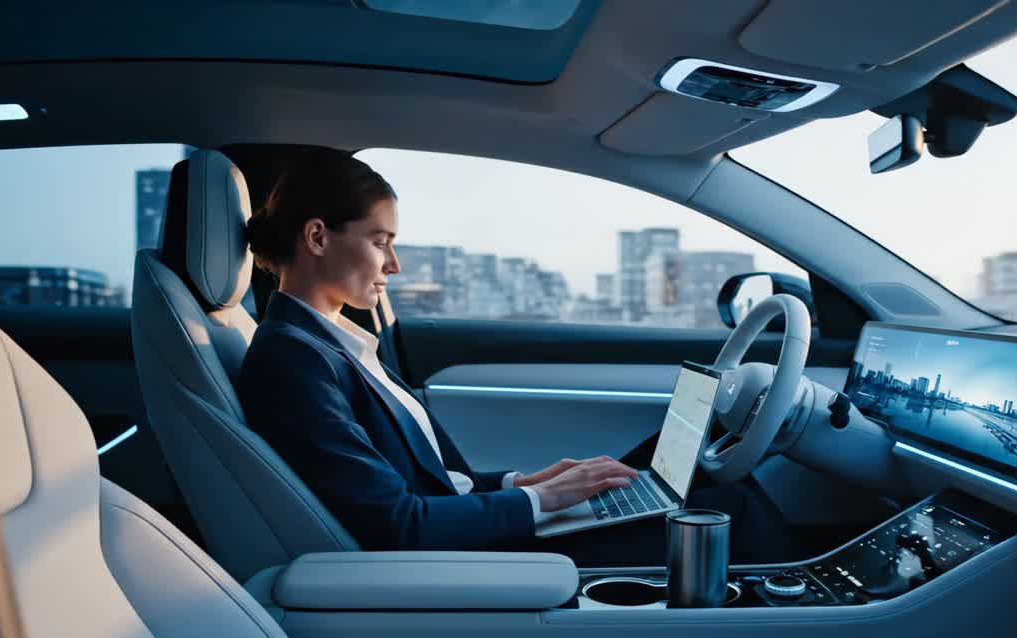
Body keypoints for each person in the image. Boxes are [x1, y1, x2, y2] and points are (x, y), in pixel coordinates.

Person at [237, 153, 813, 567]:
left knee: (679, 469)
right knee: (730, 506)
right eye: (380, 241)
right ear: (318, 238)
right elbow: (397, 523)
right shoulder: (292, 360)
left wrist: (525, 482)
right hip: (466, 557)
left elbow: (434, 482)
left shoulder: (337, 340)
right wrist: (542, 502)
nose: (394, 266)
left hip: (472, 527)